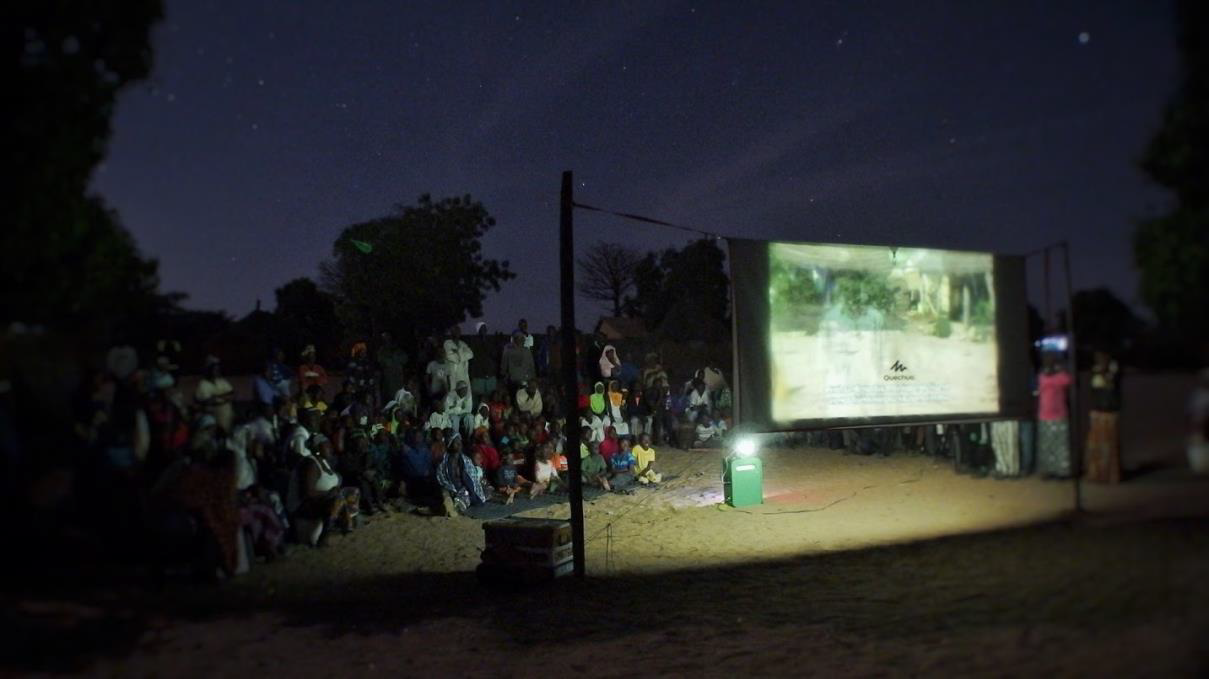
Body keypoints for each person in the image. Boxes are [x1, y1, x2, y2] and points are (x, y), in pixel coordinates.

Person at [1084, 351, 1122, 484]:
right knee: (1096, 445)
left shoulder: (1113, 370)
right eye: (1097, 358)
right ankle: (1097, 474)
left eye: (1101, 357)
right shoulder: (1095, 371)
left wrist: (1103, 372)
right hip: (1097, 410)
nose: (1099, 360)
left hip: (1109, 411)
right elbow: (1093, 391)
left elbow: (1112, 385)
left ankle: (1109, 475)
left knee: (1109, 444)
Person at [1035, 354, 1073, 478]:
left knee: (1059, 446)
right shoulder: (1043, 376)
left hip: (1058, 415)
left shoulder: (1058, 377)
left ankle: (1061, 471)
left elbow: (1069, 380)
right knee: (1048, 446)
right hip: (1046, 415)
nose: (1048, 364)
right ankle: (1048, 471)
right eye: (1046, 361)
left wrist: (1060, 369)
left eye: (1050, 361)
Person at [195, 355, 236, 434]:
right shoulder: (203, 384)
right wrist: (224, 397)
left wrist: (217, 397)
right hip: (215, 421)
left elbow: (233, 395)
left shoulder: (222, 381)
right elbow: (208, 402)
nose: (216, 370)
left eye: (217, 368)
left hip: (228, 418)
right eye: (213, 368)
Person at [468, 322, 499, 398]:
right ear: (478, 330)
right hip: (478, 374)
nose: (484, 330)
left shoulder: (490, 341)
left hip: (490, 374)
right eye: (482, 328)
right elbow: (472, 357)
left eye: (485, 328)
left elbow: (494, 354)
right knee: (478, 396)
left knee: (490, 396)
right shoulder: (474, 341)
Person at [376, 332, 408, 403]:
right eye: (385, 338)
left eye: (388, 337)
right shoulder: (382, 351)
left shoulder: (398, 350)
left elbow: (405, 359)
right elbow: (382, 362)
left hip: (399, 378)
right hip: (388, 379)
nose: (387, 340)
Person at [443, 326, 474, 399]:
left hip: (464, 374)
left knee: (465, 396)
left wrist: (457, 352)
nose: (457, 333)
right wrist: (462, 353)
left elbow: (471, 354)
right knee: (453, 396)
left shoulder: (463, 343)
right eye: (455, 331)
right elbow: (450, 357)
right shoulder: (447, 343)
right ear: (451, 333)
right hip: (453, 375)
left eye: (458, 331)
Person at [1188, 369, 1209, 474]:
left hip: (1203, 423)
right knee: (1199, 442)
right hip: (1200, 423)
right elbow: (1192, 412)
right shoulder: (1199, 395)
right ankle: (1201, 465)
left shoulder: (1200, 396)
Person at [345, 342, 378, 407]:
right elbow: (349, 375)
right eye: (362, 352)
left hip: (367, 387)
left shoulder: (368, 362)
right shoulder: (353, 362)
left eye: (364, 352)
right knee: (357, 403)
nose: (363, 354)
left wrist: (371, 382)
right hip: (357, 387)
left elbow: (372, 374)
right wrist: (355, 383)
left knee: (368, 402)